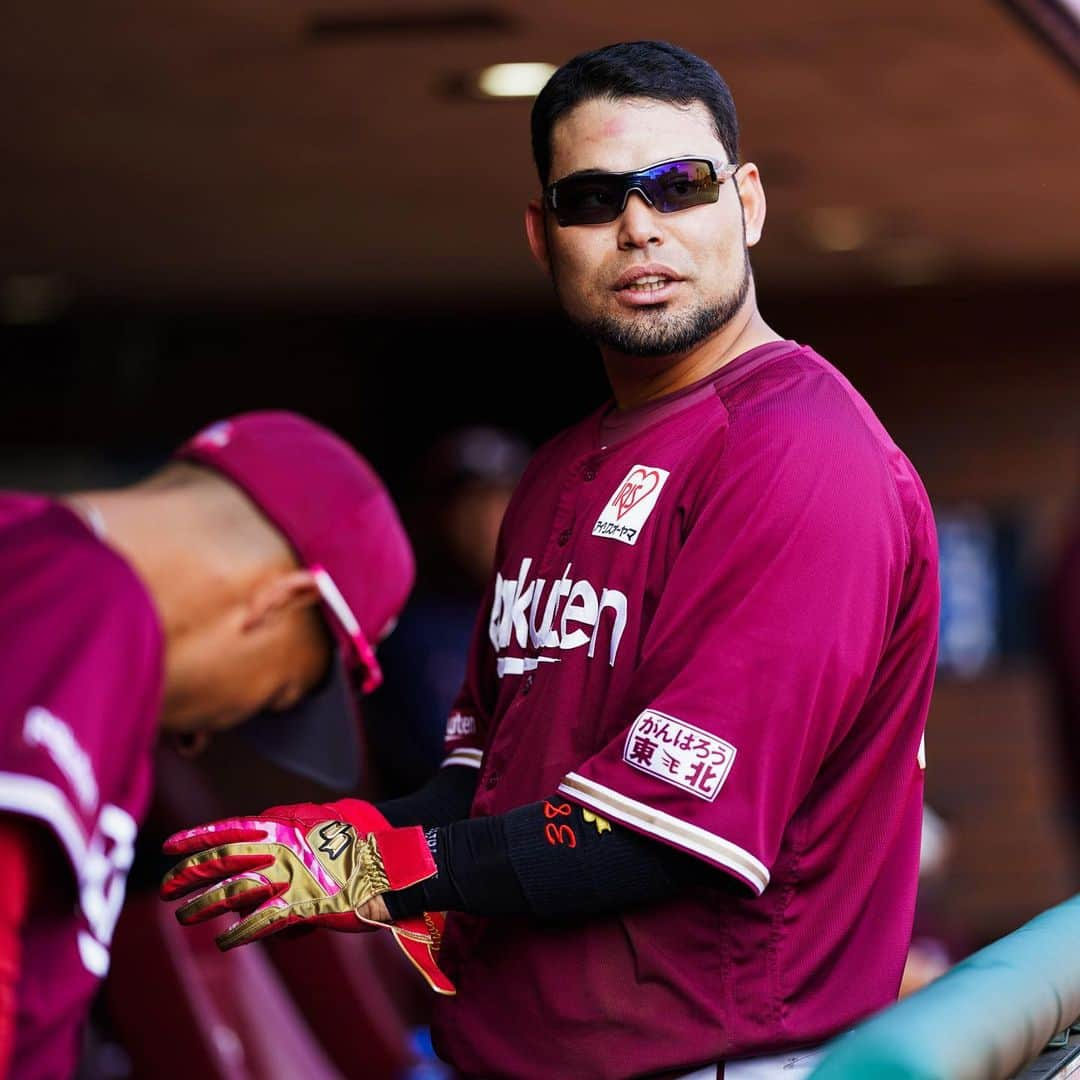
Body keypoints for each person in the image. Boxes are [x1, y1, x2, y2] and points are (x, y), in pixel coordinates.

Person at [162, 42, 940, 1080]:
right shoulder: (559, 469)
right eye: (593, 198)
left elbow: (659, 829)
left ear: (747, 204)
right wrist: (309, 849)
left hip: (722, 1057)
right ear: (544, 235)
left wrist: (383, 869)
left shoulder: (803, 455)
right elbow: (485, 791)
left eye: (680, 185)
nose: (640, 226)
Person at [0, 410, 414, 1079]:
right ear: (280, 602)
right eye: (278, 697)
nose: (203, 736)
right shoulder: (88, 593)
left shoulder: (27, 554)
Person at [366, 425, 531, 796]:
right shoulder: (403, 628)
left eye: (502, 498)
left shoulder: (561, 613)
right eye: (469, 502)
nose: (487, 520)